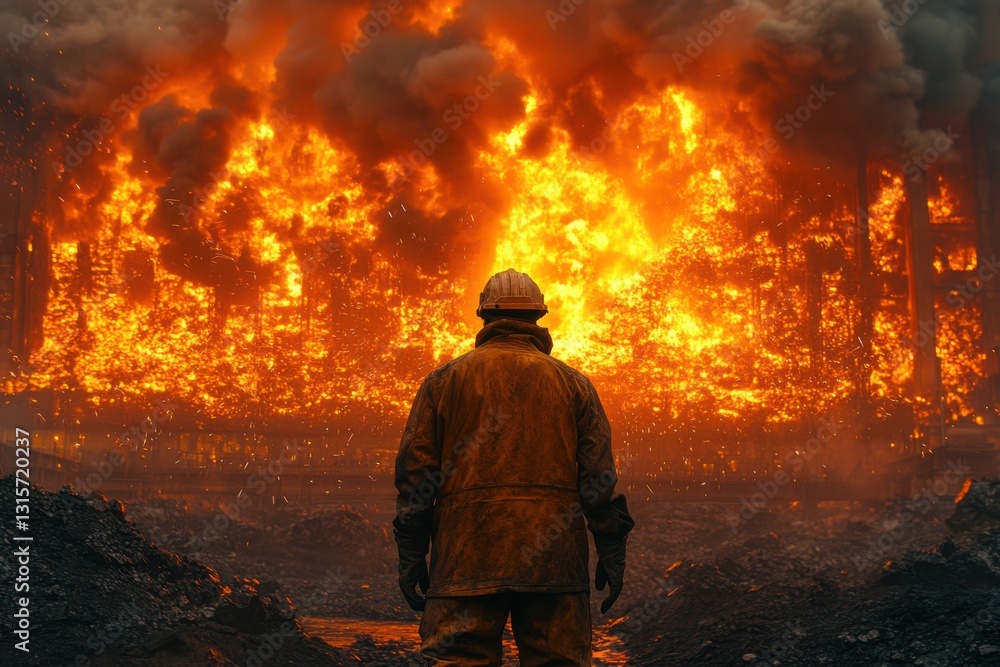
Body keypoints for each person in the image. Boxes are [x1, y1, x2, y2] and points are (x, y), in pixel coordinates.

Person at [393, 268, 635, 666]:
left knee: (458, 660)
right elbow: (598, 482)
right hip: (553, 567)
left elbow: (417, 479)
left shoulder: (443, 382)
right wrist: (612, 552)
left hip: (466, 562)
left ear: (485, 318)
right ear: (538, 319)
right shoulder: (575, 385)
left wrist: (412, 555)